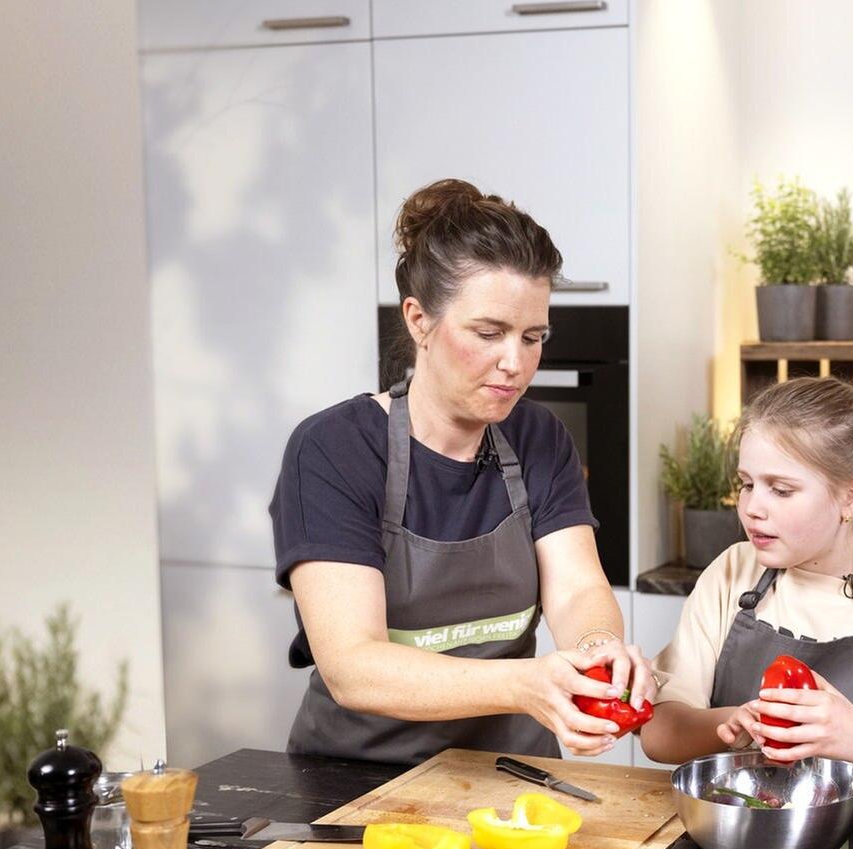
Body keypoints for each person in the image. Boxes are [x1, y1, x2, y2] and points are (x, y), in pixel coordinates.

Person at [269, 178, 654, 764]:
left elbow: (577, 587)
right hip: (357, 784)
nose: (516, 363)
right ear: (419, 320)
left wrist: (600, 652)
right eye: (489, 333)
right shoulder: (334, 449)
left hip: (513, 774)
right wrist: (525, 686)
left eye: (533, 337)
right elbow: (353, 665)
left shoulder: (539, 437)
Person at [641, 377, 853, 805]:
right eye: (747, 483)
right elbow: (658, 735)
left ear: (852, 498)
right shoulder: (732, 572)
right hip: (726, 843)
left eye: (781, 489)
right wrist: (731, 723)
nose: (752, 507)